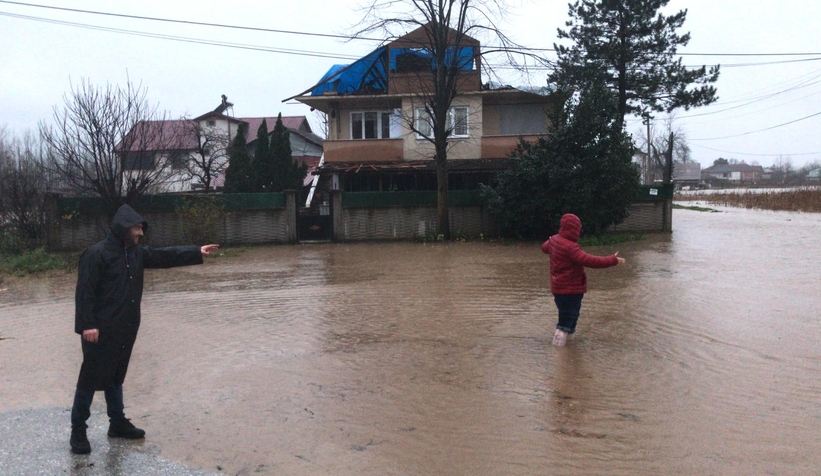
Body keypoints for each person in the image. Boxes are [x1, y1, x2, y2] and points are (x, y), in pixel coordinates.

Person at [70, 204, 219, 455]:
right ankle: (78, 430)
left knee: (116, 375)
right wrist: (87, 325)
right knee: (89, 378)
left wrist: (196, 251)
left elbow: (164, 257)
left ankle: (117, 423)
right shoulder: (96, 254)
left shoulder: (136, 253)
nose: (141, 233)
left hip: (126, 328)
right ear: (124, 227)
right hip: (99, 330)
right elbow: (85, 292)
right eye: (138, 228)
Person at [541, 213, 625, 347]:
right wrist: (612, 260)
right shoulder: (571, 248)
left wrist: (552, 239)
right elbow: (590, 261)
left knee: (570, 320)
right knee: (565, 324)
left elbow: (544, 247)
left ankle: (569, 351)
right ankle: (559, 355)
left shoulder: (554, 241)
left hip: (559, 289)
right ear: (574, 230)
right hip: (570, 291)